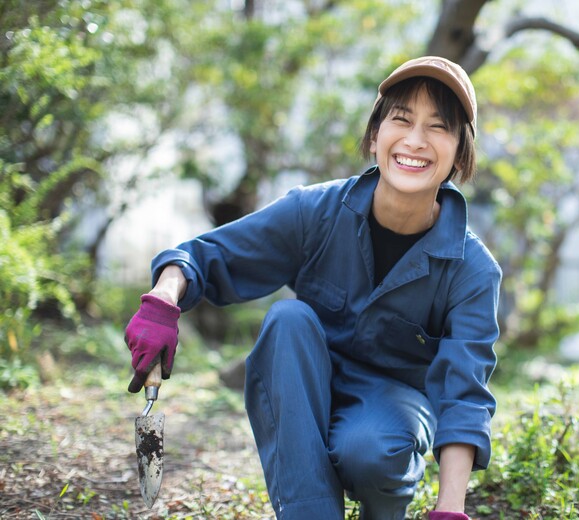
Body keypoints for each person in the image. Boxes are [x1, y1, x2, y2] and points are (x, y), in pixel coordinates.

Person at [124, 56, 502, 520]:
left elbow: (464, 395)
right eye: (400, 119)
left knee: (372, 447)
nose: (415, 141)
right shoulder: (315, 212)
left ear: (460, 153)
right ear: (374, 135)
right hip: (301, 386)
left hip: (390, 414)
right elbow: (207, 255)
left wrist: (450, 508)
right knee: (288, 319)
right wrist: (163, 299)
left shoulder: (472, 269)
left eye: (438, 127)